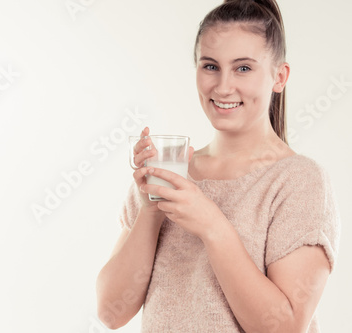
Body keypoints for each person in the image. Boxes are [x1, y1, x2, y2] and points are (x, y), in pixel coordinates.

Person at [95, 0, 340, 332]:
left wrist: (212, 225)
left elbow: (284, 328)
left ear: (279, 77)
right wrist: (150, 210)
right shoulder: (170, 172)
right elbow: (111, 313)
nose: (223, 87)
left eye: (243, 68)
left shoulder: (299, 181)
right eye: (210, 66)